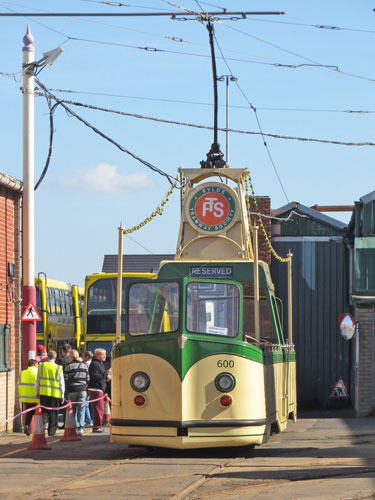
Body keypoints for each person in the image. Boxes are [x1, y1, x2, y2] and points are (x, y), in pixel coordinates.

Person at [35, 350, 65, 437]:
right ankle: (52, 432)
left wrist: (37, 391)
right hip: (55, 394)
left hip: (44, 393)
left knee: (44, 412)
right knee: (53, 413)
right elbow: (61, 382)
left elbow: (38, 380)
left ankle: (42, 428)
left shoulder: (41, 366)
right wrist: (62, 395)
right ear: (55, 358)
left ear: (47, 357)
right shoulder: (58, 368)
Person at [64, 349, 89, 435]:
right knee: (82, 409)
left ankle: (74, 428)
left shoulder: (68, 366)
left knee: (73, 410)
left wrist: (67, 389)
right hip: (82, 389)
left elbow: (66, 379)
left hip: (72, 390)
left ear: (71, 356)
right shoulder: (84, 365)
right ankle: (81, 428)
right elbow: (88, 379)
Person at [18, 359, 39, 436]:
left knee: (29, 412)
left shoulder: (23, 372)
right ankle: (38, 429)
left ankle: (26, 425)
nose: (38, 366)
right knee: (38, 413)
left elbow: (19, 383)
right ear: (33, 364)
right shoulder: (37, 372)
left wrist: (21, 395)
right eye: (37, 364)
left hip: (25, 397)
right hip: (35, 397)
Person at [88, 348, 107, 433]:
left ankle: (97, 426)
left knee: (98, 409)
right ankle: (97, 426)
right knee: (99, 409)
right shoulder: (95, 364)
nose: (104, 356)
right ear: (97, 355)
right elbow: (96, 377)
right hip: (96, 389)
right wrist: (105, 374)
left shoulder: (100, 364)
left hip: (99, 389)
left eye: (105, 354)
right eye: (102, 354)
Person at [82, 351, 93, 427]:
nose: (82, 358)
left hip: (86, 386)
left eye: (83, 356)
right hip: (91, 386)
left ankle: (88, 420)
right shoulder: (92, 364)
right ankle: (90, 419)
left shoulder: (85, 365)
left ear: (87, 357)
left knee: (85, 404)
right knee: (88, 404)